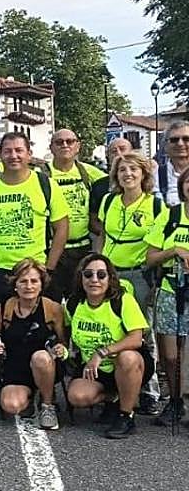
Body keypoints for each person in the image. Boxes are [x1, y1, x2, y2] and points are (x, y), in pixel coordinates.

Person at [0, 132, 70, 334]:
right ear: (0, 155)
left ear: (29, 154)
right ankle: (5, 367)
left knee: (45, 330)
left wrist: (49, 267)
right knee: (1, 332)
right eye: (7, 151)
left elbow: (62, 227)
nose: (13, 156)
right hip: (0, 272)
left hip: (37, 271)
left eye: (19, 150)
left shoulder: (46, 185)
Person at [95, 150, 162, 416]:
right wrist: (98, 264)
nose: (128, 174)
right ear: (116, 175)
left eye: (134, 169)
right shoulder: (109, 201)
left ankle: (149, 390)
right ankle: (114, 387)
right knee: (112, 327)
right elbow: (100, 233)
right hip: (110, 274)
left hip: (138, 274)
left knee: (143, 331)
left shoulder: (155, 206)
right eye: (122, 170)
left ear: (144, 174)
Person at [65, 253, 152, 439]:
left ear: (110, 278)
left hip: (128, 366)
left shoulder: (122, 300)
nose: (94, 280)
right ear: (80, 278)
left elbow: (136, 339)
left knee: (127, 357)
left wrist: (102, 352)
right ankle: (115, 397)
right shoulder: (74, 304)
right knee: (77, 396)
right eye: (88, 274)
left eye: (101, 275)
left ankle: (126, 415)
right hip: (95, 371)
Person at [0, 259, 67, 429]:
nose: (29, 286)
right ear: (15, 284)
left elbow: (63, 340)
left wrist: (61, 349)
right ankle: (30, 396)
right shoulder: (3, 308)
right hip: (17, 366)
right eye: (23, 281)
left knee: (40, 357)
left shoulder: (52, 308)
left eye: (34, 281)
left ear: (41, 284)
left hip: (45, 364)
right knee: (12, 405)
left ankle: (47, 405)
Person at [144, 168, 189, 426]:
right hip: (171, 291)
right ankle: (174, 400)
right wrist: (174, 250)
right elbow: (149, 258)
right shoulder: (170, 216)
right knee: (170, 355)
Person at [45, 129, 104, 301]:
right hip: (51, 250)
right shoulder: (42, 174)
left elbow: (118, 183)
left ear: (78, 146)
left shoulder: (89, 173)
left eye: (70, 141)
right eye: (59, 142)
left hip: (82, 249)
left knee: (80, 302)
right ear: (51, 147)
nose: (65, 145)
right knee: (51, 303)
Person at [88, 137, 132, 227]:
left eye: (122, 149)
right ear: (108, 156)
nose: (118, 153)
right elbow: (93, 221)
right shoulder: (99, 186)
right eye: (114, 151)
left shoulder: (144, 182)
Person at [157, 120, 189, 207]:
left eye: (186, 139)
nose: (180, 143)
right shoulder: (154, 175)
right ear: (166, 145)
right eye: (174, 140)